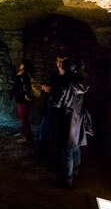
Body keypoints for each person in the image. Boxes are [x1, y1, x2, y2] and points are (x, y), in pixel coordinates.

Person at [55, 58, 91, 189]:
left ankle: (68, 178)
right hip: (79, 118)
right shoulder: (82, 82)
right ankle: (76, 170)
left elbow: (58, 102)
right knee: (76, 146)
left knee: (68, 149)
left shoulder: (68, 83)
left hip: (69, 118)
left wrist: (53, 99)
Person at [37, 54, 69, 157]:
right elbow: (49, 87)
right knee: (43, 131)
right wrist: (46, 89)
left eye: (62, 61)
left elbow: (66, 93)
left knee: (58, 134)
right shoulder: (54, 75)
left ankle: (57, 156)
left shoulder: (69, 78)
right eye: (58, 61)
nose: (60, 64)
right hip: (49, 109)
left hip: (61, 111)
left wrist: (51, 90)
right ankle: (42, 153)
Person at [13, 61, 33, 144]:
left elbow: (25, 87)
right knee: (22, 117)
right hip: (20, 98)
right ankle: (23, 133)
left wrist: (25, 95)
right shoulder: (20, 75)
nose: (20, 67)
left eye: (22, 66)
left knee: (24, 118)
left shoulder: (25, 76)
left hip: (23, 99)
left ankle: (26, 137)